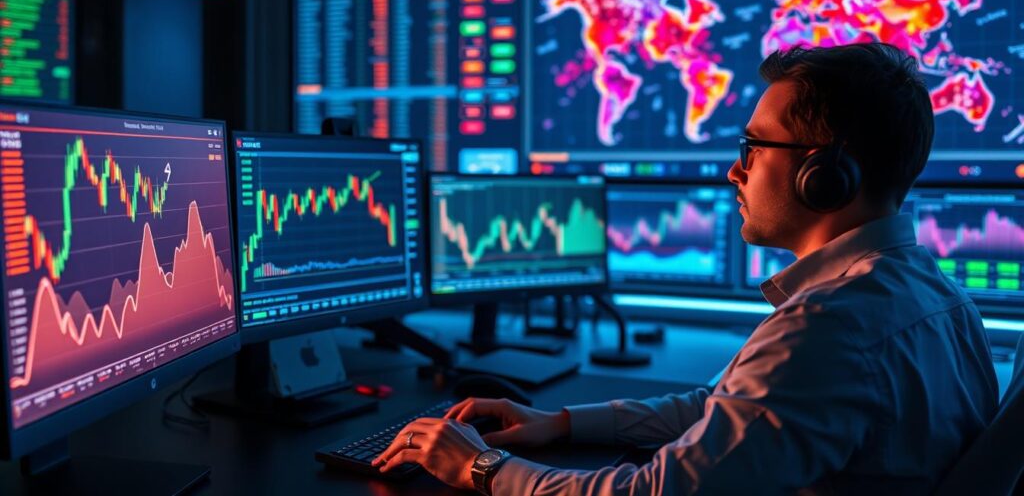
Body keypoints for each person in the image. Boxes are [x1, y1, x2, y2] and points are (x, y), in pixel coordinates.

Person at [372, 43, 999, 494]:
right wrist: (559, 423)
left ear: (825, 172)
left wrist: (479, 468)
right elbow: (724, 409)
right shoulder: (937, 295)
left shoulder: (826, 329)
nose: (736, 171)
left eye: (754, 147)